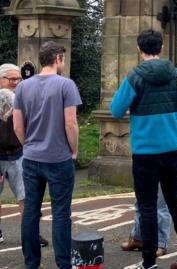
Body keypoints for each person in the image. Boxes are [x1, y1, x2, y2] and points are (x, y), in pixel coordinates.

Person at [110, 30, 177, 269]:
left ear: (140, 49)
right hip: (171, 149)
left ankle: (148, 263)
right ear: (161, 47)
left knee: (147, 206)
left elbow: (116, 110)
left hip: (145, 152)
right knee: (176, 202)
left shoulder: (135, 77)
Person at [13, 42, 82, 269]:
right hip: (58, 158)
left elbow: (17, 126)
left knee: (31, 212)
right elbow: (71, 123)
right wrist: (73, 150)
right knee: (61, 213)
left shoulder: (23, 87)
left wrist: (29, 145)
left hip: (31, 158)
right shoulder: (66, 85)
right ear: (58, 58)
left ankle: (31, 263)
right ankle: (63, 264)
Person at [120, 116, 177, 257]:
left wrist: (173, 147)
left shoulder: (172, 97)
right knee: (142, 202)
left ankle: (160, 243)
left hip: (165, 156)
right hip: (146, 155)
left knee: (161, 203)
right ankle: (138, 237)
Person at [0, 63, 48, 247]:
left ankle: (31, 235)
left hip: (19, 154)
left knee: (26, 198)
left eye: (17, 79)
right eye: (10, 79)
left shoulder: (25, 97)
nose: (15, 82)